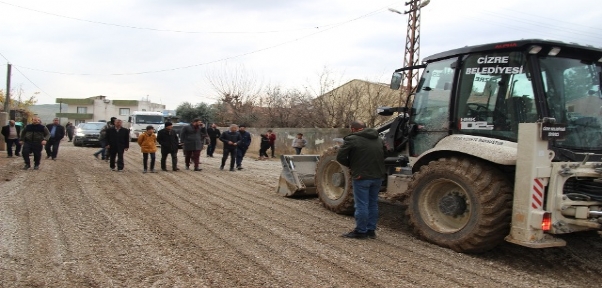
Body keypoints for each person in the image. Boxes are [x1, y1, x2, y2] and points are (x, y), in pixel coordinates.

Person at [337, 120, 386, 239]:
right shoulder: (379, 139)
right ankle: (371, 230)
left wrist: (352, 166)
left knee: (361, 205)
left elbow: (340, 157)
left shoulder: (352, 139)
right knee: (373, 204)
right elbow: (385, 154)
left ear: (353, 129)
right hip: (378, 176)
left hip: (361, 177)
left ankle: (360, 231)